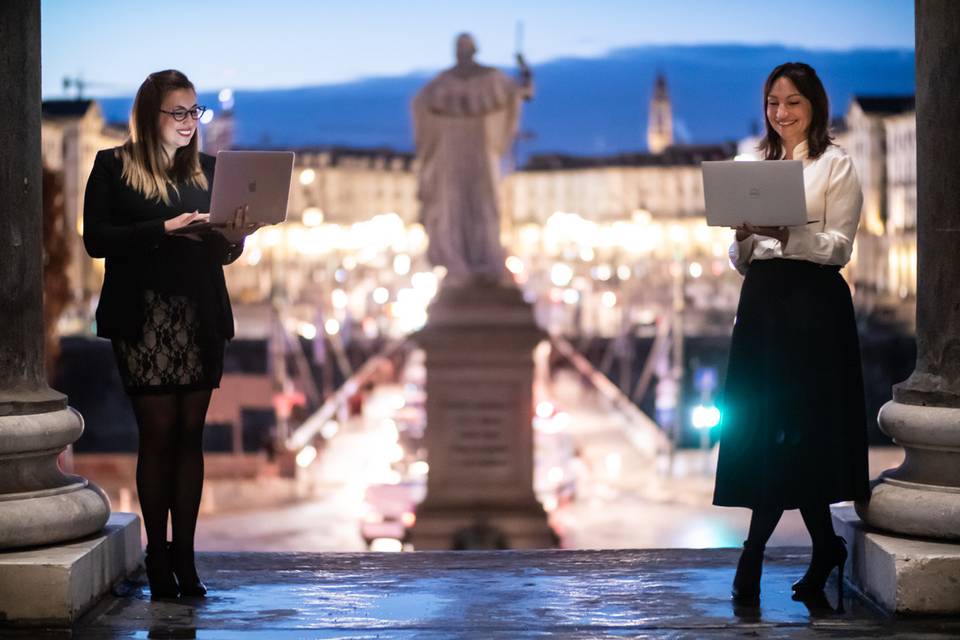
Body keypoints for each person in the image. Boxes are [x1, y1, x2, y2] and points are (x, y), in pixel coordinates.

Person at [83, 70, 260, 599]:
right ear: (149, 115)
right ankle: (156, 558)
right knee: (158, 437)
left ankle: (186, 557)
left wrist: (237, 237)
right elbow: (96, 239)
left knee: (190, 438)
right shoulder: (113, 166)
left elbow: (221, 253)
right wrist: (162, 229)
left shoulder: (210, 170)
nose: (188, 122)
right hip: (145, 319)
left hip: (200, 314)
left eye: (194, 112)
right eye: (178, 112)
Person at [712, 62, 869, 607]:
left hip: (813, 308)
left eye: (792, 103)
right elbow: (741, 260)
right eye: (773, 103)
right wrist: (744, 238)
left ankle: (752, 554)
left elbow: (839, 248)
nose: (781, 113)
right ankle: (824, 546)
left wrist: (789, 233)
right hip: (762, 305)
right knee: (770, 425)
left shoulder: (836, 165)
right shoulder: (751, 162)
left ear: (814, 106)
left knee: (793, 429)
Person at [412, 33, 533, 282]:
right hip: (455, 150)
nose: (462, 52)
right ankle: (463, 260)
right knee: (456, 204)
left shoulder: (481, 79)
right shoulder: (444, 83)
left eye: (464, 48)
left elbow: (519, 92)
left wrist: (524, 72)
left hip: (475, 147)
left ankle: (485, 259)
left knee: (482, 201)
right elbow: (420, 104)